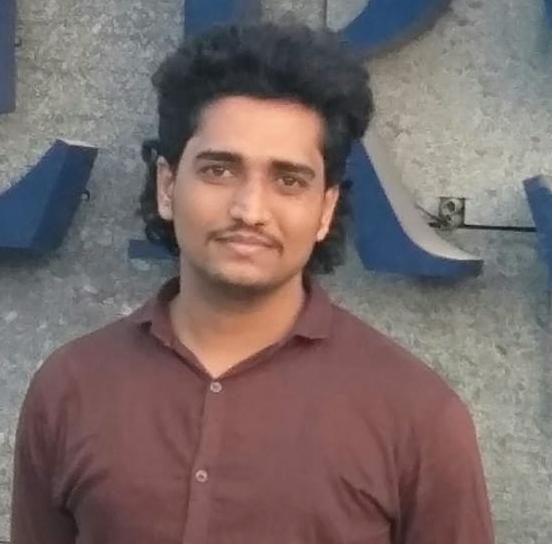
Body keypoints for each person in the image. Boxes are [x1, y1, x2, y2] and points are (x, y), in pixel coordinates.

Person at [10, 22, 494, 544]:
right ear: (168, 186)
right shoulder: (71, 388)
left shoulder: (416, 414)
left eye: (288, 180)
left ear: (325, 209)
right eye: (219, 171)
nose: (250, 210)